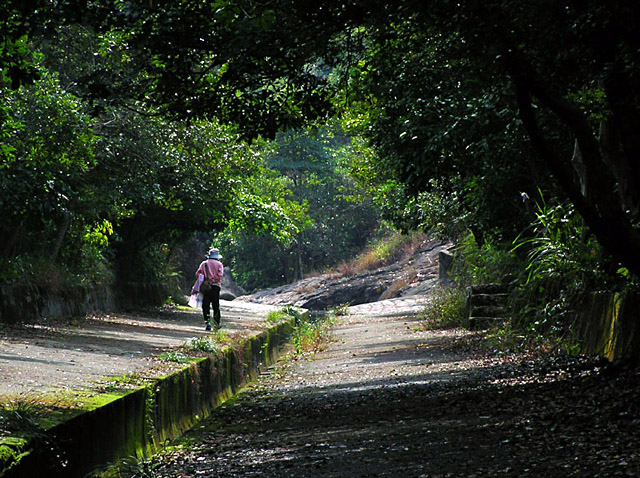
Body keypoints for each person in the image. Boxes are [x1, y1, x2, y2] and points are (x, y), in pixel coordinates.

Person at [193, 248, 224, 331]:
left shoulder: (204, 264)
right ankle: (217, 323)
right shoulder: (219, 264)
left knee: (205, 305)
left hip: (206, 286)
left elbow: (198, 274)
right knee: (216, 305)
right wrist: (213, 279)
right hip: (215, 286)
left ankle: (208, 322)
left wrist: (206, 279)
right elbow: (220, 275)